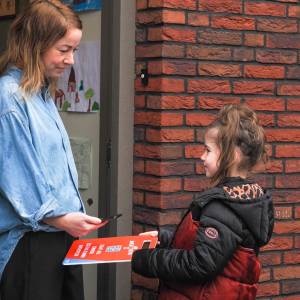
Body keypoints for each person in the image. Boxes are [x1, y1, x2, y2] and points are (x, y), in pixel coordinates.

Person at [0, 1, 106, 299]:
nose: (71, 60)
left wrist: (68, 219)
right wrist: (60, 218)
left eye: (74, 50)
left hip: (59, 236)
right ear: (34, 45)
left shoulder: (42, 95)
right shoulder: (9, 99)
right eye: (63, 50)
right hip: (30, 244)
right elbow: (18, 179)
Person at [132, 104, 274, 300]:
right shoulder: (241, 202)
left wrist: (148, 260)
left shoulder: (223, 207)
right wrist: (164, 239)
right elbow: (211, 245)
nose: (202, 156)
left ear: (231, 156)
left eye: (208, 150)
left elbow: (200, 264)